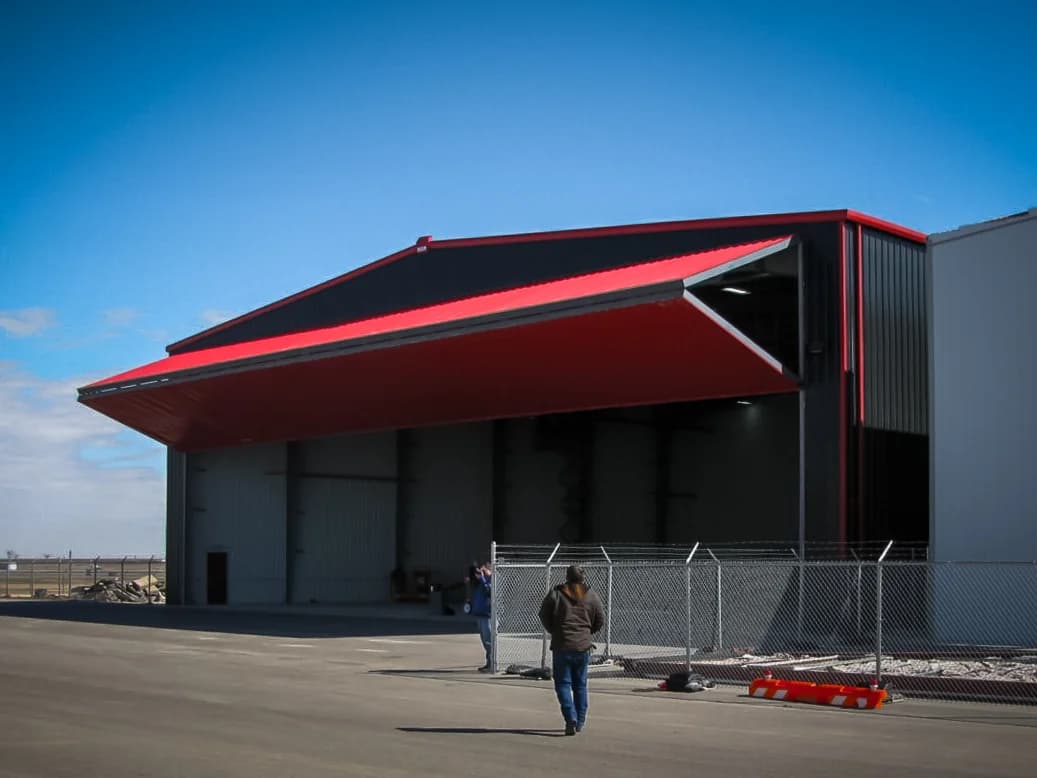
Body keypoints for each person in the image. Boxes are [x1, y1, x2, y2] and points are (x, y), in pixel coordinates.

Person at [538, 564, 605, 736]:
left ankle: (570, 718)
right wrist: (587, 632)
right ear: (583, 577)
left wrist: (554, 630)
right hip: (582, 646)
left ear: (567, 576)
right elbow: (600, 619)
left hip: (562, 645)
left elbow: (543, 614)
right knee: (580, 685)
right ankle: (580, 720)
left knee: (563, 684)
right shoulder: (591, 595)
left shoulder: (556, 593)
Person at [466, 562, 493, 672]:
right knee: (484, 640)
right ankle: (489, 662)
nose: (481, 573)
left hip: (487, 615)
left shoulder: (491, 580)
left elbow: (490, 591)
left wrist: (483, 578)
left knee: (489, 640)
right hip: (479, 614)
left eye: (484, 570)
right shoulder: (478, 583)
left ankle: (492, 663)